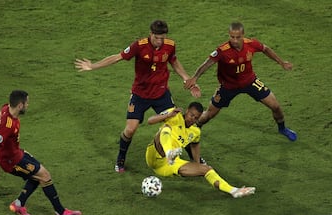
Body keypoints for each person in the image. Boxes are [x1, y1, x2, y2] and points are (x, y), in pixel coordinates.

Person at [75, 20, 200, 173]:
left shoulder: (170, 45)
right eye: (157, 38)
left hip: (161, 93)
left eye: (163, 38)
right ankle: (120, 158)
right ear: (150, 34)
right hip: (140, 94)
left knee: (180, 122)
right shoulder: (139, 46)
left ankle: (195, 160)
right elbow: (117, 57)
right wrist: (93, 65)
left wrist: (188, 79)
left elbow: (174, 62)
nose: (160, 41)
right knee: (130, 129)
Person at [184, 22, 297, 141]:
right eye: (232, 37)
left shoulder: (251, 44)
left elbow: (265, 49)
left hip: (250, 82)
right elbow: (207, 63)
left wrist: (281, 62)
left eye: (238, 37)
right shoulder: (222, 50)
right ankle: (195, 127)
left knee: (276, 106)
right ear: (229, 35)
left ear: (243, 35)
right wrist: (195, 77)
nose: (235, 40)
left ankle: (282, 128)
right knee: (209, 115)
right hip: (228, 87)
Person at [0, 90, 82, 215]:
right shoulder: (8, 126)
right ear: (20, 105)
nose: (28, 105)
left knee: (37, 174)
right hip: (11, 161)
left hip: (17, 153)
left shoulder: (5, 108)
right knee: (44, 176)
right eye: (26, 103)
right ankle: (61, 212)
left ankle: (18, 204)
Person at [145, 102, 256, 198]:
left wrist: (197, 164)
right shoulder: (174, 115)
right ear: (187, 111)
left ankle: (233, 191)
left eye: (196, 118)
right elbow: (150, 121)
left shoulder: (195, 132)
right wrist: (168, 115)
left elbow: (195, 145)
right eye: (191, 115)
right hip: (154, 155)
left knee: (206, 169)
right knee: (166, 129)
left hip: (169, 165)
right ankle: (169, 153)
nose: (192, 119)